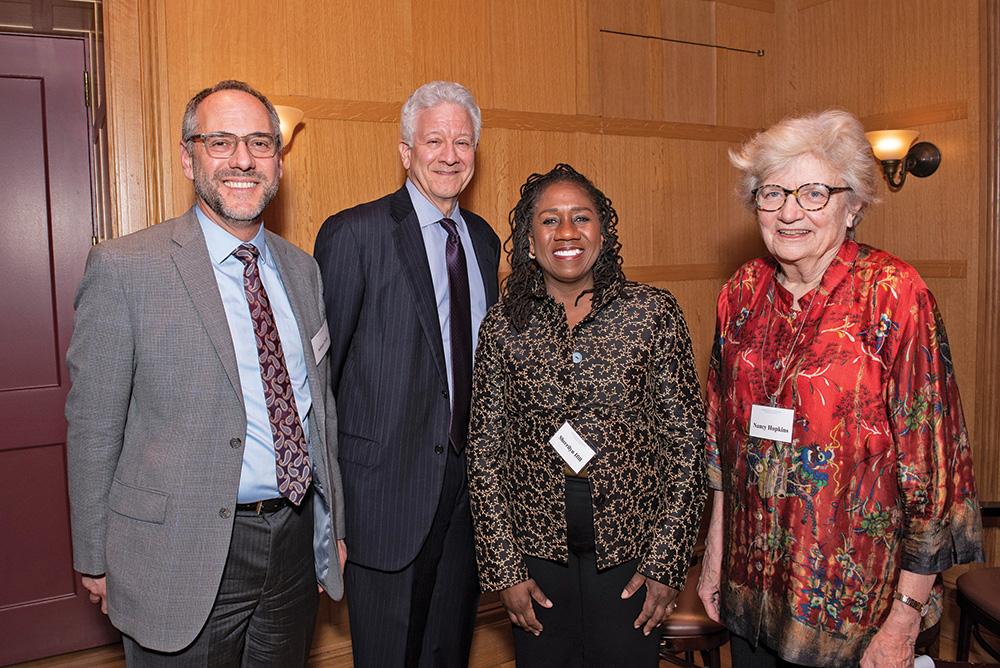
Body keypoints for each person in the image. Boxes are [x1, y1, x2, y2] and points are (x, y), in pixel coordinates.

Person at [65, 79, 346, 666]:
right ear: (188, 156)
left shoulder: (302, 271)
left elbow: (318, 410)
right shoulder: (125, 268)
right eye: (221, 141)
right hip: (178, 552)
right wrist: (94, 554)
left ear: (277, 159)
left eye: (259, 143)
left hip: (292, 543)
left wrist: (330, 528)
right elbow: (93, 425)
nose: (242, 160)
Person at [697, 109, 984, 668]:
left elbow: (933, 467)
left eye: (813, 193)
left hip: (854, 605)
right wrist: (715, 556)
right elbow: (721, 442)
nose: (789, 212)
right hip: (752, 587)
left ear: (853, 206)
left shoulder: (894, 294)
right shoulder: (742, 292)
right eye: (773, 193)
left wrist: (905, 616)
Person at [466, 163, 707, 668]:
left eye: (582, 217)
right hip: (535, 561)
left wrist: (667, 560)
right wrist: (504, 568)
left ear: (603, 232)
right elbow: (484, 454)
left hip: (632, 560)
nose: (568, 232)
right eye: (550, 221)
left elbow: (688, 446)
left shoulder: (651, 313)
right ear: (530, 243)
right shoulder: (503, 327)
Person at [313, 81, 500, 668]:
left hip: (468, 494)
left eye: (463, 142)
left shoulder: (486, 241)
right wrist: (328, 512)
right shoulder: (354, 235)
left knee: (448, 649)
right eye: (435, 140)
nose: (450, 154)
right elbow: (320, 384)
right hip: (383, 497)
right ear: (405, 151)